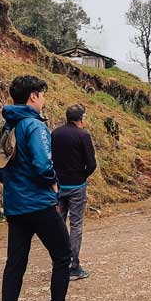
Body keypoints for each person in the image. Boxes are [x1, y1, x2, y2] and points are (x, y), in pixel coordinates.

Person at [0, 75, 88, 301]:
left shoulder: (7, 126)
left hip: (15, 205)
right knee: (62, 257)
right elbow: (42, 165)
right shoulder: (34, 126)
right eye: (42, 94)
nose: (44, 99)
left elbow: (0, 167)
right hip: (39, 203)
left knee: (15, 264)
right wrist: (53, 185)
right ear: (34, 96)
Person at [52, 103, 98, 280]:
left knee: (59, 224)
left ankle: (60, 263)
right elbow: (91, 164)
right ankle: (74, 266)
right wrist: (82, 176)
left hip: (58, 186)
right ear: (80, 118)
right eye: (85, 117)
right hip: (76, 186)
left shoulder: (55, 133)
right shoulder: (83, 135)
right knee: (76, 225)